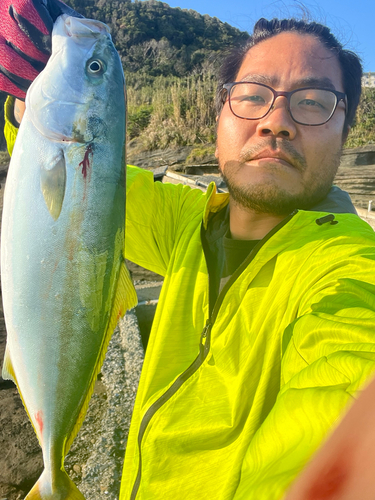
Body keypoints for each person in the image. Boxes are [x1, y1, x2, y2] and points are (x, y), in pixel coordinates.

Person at [2, 2, 375, 499]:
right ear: (220, 117)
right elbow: (70, 182)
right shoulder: (184, 222)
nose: (276, 121)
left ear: (346, 131)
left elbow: (348, 405)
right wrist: (18, 104)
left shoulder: (349, 270)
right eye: (251, 95)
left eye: (313, 102)